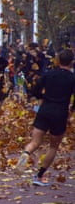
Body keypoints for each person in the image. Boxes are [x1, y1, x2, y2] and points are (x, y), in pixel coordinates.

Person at [15, 49, 75, 186]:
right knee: (53, 146)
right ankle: (39, 176)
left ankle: (26, 153)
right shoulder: (72, 78)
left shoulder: (48, 74)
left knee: (35, 142)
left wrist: (42, 98)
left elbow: (35, 90)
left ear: (58, 61)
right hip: (60, 112)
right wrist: (72, 110)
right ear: (72, 62)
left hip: (45, 109)